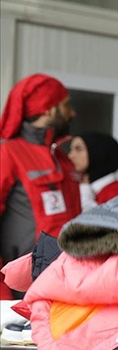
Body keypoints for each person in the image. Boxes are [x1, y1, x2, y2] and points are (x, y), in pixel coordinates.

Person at [0, 74, 81, 298]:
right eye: (66, 106)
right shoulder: (8, 153)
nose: (72, 113)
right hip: (20, 290)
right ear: (47, 110)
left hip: (67, 282)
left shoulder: (64, 160)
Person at [67, 132, 118, 211]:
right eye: (71, 149)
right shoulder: (79, 187)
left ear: (98, 152)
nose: (70, 156)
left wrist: (85, 194)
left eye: (79, 149)